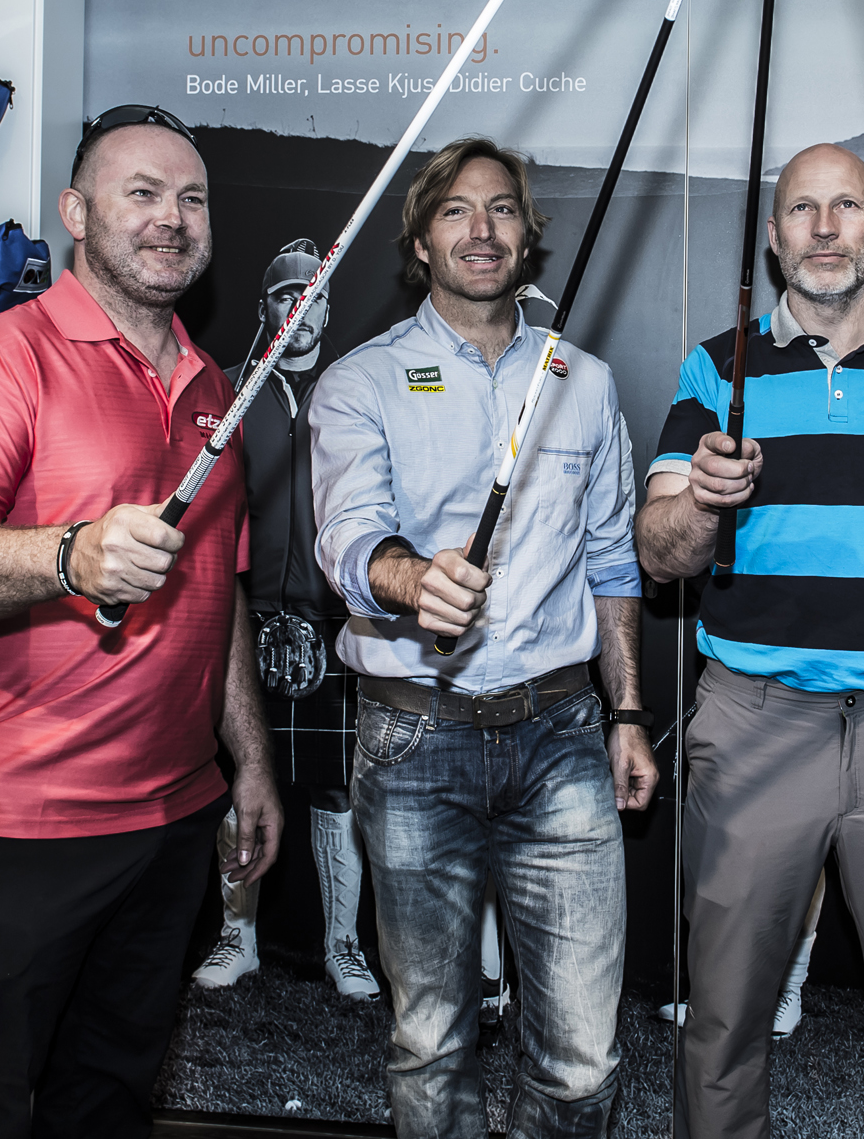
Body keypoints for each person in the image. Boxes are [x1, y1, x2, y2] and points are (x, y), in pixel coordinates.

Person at [0, 104, 283, 1139]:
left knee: (106, 1103)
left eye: (191, 198)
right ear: (75, 213)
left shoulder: (214, 388)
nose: (171, 218)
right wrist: (70, 556)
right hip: (14, 825)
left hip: (170, 822)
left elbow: (219, 591)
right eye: (140, 193)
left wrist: (247, 761)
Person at [637, 143, 864, 1139]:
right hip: (755, 719)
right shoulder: (718, 367)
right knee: (723, 1020)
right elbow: (658, 553)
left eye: (846, 205)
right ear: (774, 237)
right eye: (802, 208)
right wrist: (702, 502)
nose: (824, 226)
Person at [309, 136, 657, 1139]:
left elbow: (611, 563)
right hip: (417, 739)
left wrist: (628, 711)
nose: (481, 229)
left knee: (582, 1059)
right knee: (430, 1042)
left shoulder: (582, 382)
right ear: (420, 241)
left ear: (527, 237)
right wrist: (413, 580)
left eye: (502, 208)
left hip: (562, 738)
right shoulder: (363, 381)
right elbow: (348, 538)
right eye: (455, 211)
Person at [192, 239, 381, 1001]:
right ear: (264, 308)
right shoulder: (228, 395)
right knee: (241, 776)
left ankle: (344, 946)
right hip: (248, 617)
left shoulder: (358, 391)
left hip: (336, 619)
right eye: (284, 296)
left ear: (328, 309)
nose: (300, 309)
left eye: (314, 295)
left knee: (336, 788)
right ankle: (236, 939)